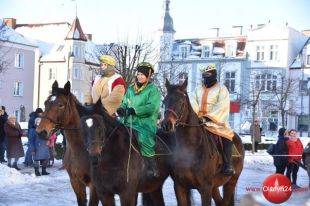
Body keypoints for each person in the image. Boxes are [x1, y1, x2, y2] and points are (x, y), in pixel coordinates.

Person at [117, 62, 161, 178]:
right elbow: (125, 103)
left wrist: (134, 110)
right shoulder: (131, 89)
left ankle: (152, 167)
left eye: (142, 74)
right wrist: (121, 109)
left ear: (148, 76)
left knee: (143, 139)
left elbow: (152, 107)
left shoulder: (153, 90)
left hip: (144, 124)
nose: (139, 76)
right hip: (126, 122)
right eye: (138, 74)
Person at [191, 64, 235, 176]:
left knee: (227, 137)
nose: (205, 77)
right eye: (204, 75)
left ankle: (227, 164)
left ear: (214, 75)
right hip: (198, 120)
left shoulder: (222, 89)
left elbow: (222, 105)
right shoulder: (197, 89)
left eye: (208, 75)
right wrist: (196, 116)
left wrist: (207, 117)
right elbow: (193, 102)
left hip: (216, 121)